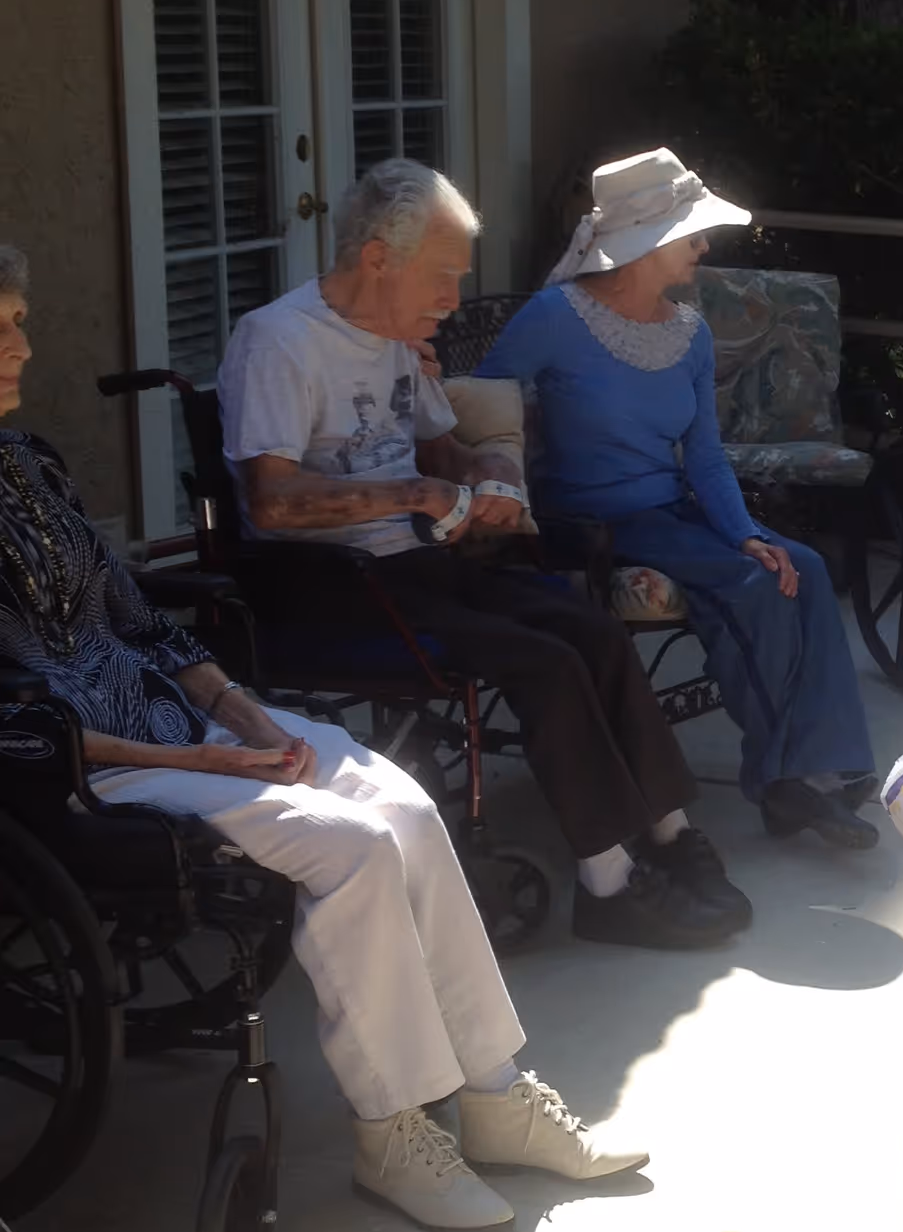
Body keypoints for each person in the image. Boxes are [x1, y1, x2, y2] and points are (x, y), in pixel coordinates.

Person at [0, 246, 643, 1232]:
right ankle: (392, 1132)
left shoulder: (28, 463)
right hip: (89, 770)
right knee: (353, 847)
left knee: (402, 803)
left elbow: (140, 623)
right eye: (0, 328)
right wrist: (205, 760)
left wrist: (247, 716)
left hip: (189, 727)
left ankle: (494, 1094)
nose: (23, 346)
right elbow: (19, 722)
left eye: (19, 321)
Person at [217, 161, 750, 952]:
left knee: (591, 631)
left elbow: (445, 451)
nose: (450, 301)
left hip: (419, 566)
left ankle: (667, 836)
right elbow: (272, 499)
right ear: (376, 260)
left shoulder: (398, 340)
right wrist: (417, 499)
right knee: (544, 659)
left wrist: (490, 476)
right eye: (441, 278)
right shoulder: (279, 342)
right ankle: (607, 883)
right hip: (330, 586)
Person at [477, 151, 878, 850]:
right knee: (753, 585)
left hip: (669, 510)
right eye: (691, 233)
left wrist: (748, 531)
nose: (703, 246)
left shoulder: (688, 331)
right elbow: (481, 404)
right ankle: (786, 780)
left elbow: (705, 456)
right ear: (646, 240)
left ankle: (824, 766)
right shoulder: (555, 316)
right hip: (589, 522)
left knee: (799, 564)